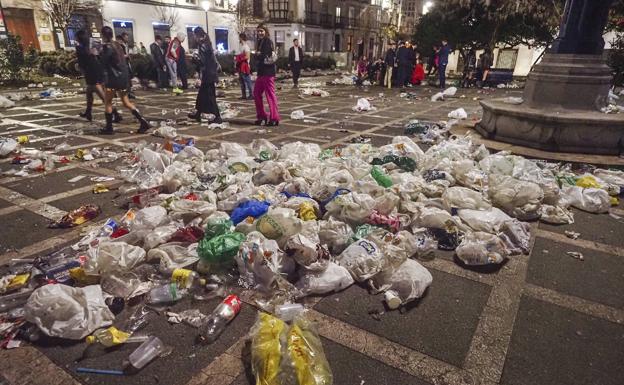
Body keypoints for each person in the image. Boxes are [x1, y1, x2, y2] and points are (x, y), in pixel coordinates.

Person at [98, 26, 150, 135]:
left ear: (103, 35)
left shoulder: (107, 47)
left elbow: (103, 62)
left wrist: (97, 54)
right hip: (123, 78)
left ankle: (109, 127)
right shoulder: (118, 45)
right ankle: (143, 122)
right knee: (126, 102)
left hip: (113, 79)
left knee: (108, 102)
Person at [75, 30, 120, 123]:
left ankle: (115, 114)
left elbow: (81, 61)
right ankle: (88, 112)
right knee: (89, 92)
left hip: (91, 72)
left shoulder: (80, 48)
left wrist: (79, 67)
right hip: (97, 70)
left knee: (102, 96)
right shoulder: (92, 45)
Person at [188, 27, 221, 124]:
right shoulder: (207, 43)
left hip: (208, 74)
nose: (194, 37)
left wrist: (194, 59)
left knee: (210, 96)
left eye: (194, 35)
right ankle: (197, 113)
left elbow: (202, 62)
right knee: (201, 95)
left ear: (198, 35)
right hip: (210, 73)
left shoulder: (203, 45)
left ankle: (217, 117)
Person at [253, 24, 280, 126]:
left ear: (266, 32)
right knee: (256, 93)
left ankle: (274, 118)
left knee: (270, 96)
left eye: (261, 31)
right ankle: (261, 116)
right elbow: (258, 56)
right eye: (258, 31)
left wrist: (257, 55)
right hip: (261, 73)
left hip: (268, 73)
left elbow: (264, 55)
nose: (260, 33)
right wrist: (257, 55)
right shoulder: (260, 42)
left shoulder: (268, 41)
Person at [118, 32, 136, 99]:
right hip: (123, 63)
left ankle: (129, 92)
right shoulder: (120, 45)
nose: (127, 38)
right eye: (126, 37)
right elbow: (119, 55)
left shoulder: (126, 45)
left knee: (129, 78)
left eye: (127, 37)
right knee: (126, 78)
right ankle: (127, 93)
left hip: (127, 63)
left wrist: (129, 56)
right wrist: (125, 56)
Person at [235, 33, 253, 99]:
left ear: (241, 38)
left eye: (239, 37)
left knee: (247, 81)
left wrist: (239, 59)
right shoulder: (241, 46)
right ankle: (244, 95)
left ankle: (251, 95)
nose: (238, 39)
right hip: (240, 65)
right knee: (242, 81)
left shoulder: (246, 46)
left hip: (244, 66)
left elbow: (247, 56)